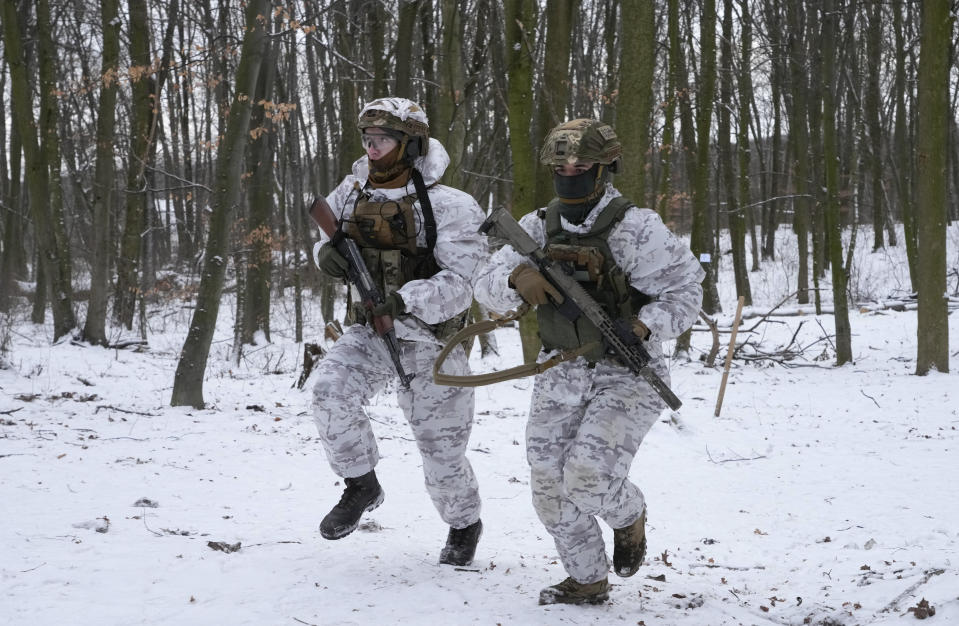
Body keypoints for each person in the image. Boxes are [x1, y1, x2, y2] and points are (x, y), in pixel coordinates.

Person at [473, 119, 705, 604]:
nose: (569, 172)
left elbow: (687, 292)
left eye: (581, 165)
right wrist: (516, 278)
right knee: (548, 485)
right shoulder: (535, 225)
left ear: (605, 169)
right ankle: (587, 578)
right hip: (561, 368)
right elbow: (484, 283)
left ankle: (628, 515)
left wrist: (644, 324)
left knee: (589, 479)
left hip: (627, 371)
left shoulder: (636, 228)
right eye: (561, 165)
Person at [311, 97, 485, 566]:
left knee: (442, 454)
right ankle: (361, 485)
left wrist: (405, 300)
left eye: (383, 140)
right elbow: (326, 241)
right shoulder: (350, 192)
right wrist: (325, 257)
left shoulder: (451, 206)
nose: (372, 149)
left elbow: (462, 284)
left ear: (410, 145)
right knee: (328, 392)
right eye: (367, 140)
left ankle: (464, 523)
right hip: (369, 331)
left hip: (432, 341)